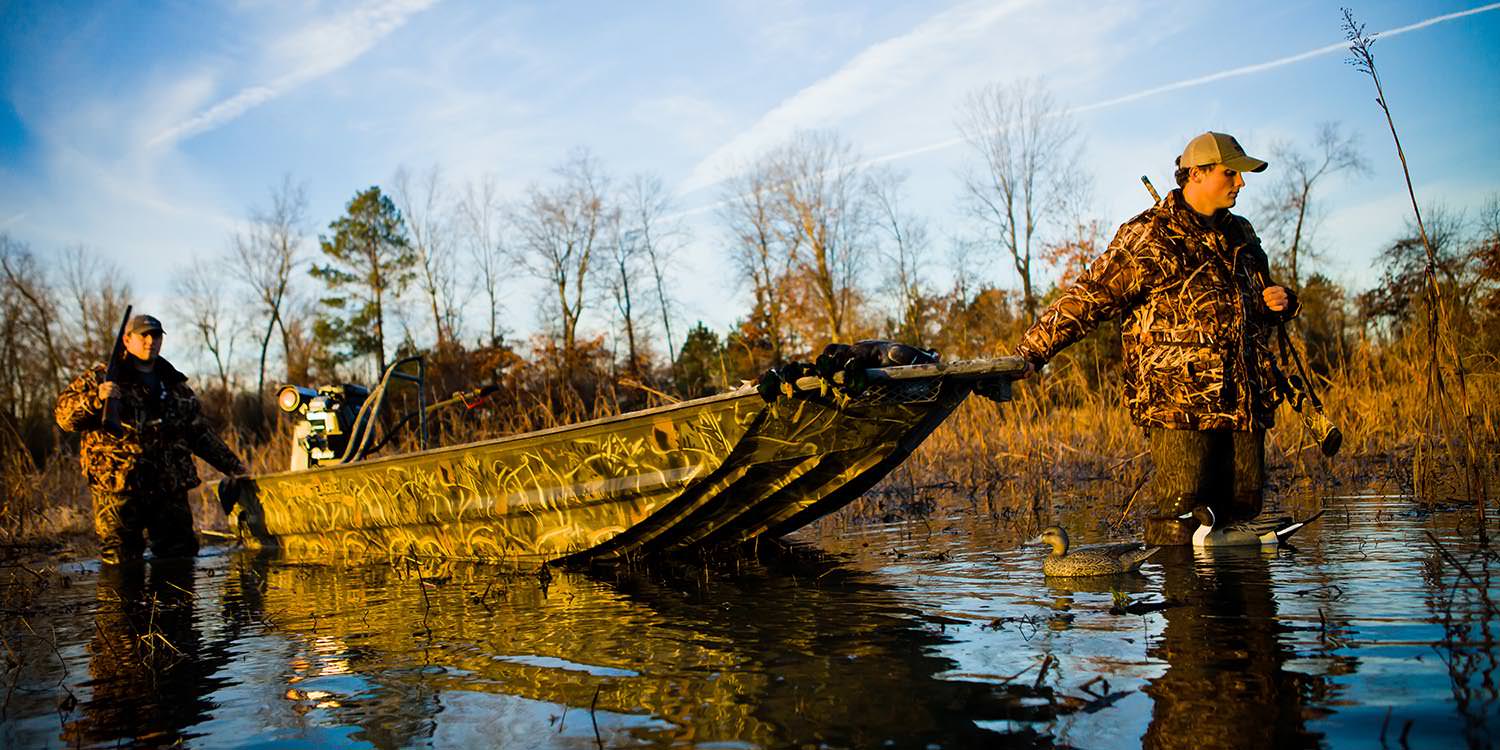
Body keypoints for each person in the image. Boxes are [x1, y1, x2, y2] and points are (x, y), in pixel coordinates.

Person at [1014, 132, 1299, 545]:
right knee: (1180, 522)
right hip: (1179, 406)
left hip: (1245, 405)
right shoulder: (1148, 236)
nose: (1241, 183)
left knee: (1243, 524)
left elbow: (1255, 308)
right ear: (1197, 174)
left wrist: (1281, 302)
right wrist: (1031, 353)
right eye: (1230, 173)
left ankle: (1245, 609)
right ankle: (1186, 603)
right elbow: (1090, 297)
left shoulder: (1243, 235)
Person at [55, 313, 247, 564]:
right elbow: (64, 417)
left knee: (179, 559)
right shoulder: (101, 377)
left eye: (156, 336)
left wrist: (235, 467)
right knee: (120, 563)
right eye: (143, 335)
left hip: (169, 487)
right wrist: (95, 399)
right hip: (118, 487)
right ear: (127, 339)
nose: (150, 341)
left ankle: (172, 604)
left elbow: (199, 434)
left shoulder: (176, 385)